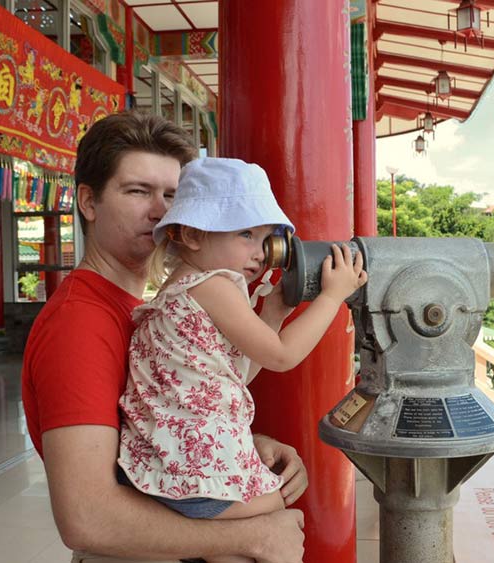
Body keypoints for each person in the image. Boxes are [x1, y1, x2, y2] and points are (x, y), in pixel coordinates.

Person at [22, 111, 308, 563]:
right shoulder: (79, 323)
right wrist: (251, 538)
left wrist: (237, 449)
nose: (160, 210)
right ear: (88, 202)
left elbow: (148, 427)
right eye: (137, 191)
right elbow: (86, 516)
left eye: (172, 196)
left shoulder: (152, 306)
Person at [117, 158, 368, 563]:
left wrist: (272, 315)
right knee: (274, 513)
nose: (259, 253)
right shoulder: (214, 285)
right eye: (246, 235)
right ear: (194, 234)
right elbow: (283, 356)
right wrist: (332, 297)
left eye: (266, 237)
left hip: (172, 463)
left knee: (246, 540)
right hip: (196, 470)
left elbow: (232, 374)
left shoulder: (183, 285)